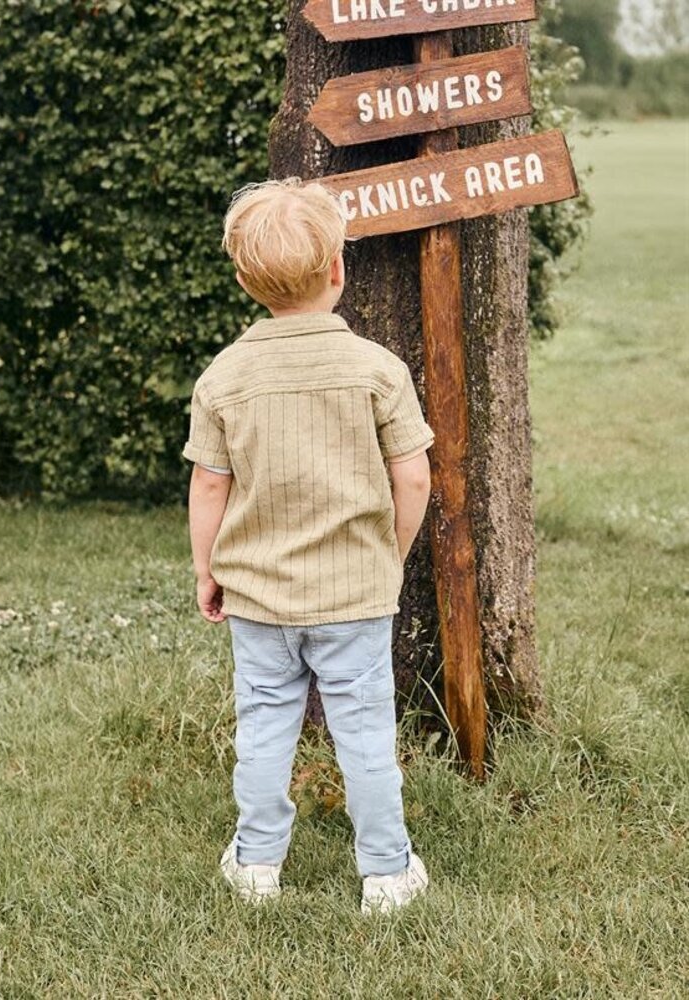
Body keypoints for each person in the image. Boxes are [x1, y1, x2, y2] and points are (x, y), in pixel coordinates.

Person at [183, 177, 435, 915]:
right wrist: (390, 550)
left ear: (243, 280)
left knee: (263, 726)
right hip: (356, 592)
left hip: (259, 597)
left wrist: (208, 569)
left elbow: (208, 487)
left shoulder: (224, 377)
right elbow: (413, 478)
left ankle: (257, 863)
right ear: (337, 270)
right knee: (363, 732)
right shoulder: (377, 370)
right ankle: (387, 872)